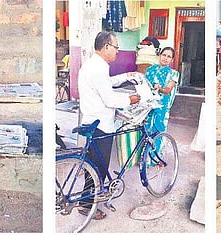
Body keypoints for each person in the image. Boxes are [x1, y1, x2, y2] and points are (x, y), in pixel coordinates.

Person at [77, 31, 141, 219]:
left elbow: (105, 84)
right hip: (100, 124)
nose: (117, 52)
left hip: (92, 120)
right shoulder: (98, 68)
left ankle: (85, 202)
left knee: (93, 166)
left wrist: (125, 76)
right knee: (98, 168)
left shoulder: (94, 65)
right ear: (106, 47)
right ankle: (87, 206)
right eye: (116, 47)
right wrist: (131, 99)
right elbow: (110, 98)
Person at [144, 47, 180, 135]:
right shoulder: (150, 70)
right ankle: (144, 148)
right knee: (145, 127)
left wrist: (159, 88)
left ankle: (156, 149)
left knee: (158, 130)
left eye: (169, 56)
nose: (165, 58)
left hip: (162, 106)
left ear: (172, 60)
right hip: (147, 104)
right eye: (164, 55)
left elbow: (168, 90)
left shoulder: (173, 73)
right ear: (159, 55)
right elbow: (144, 85)